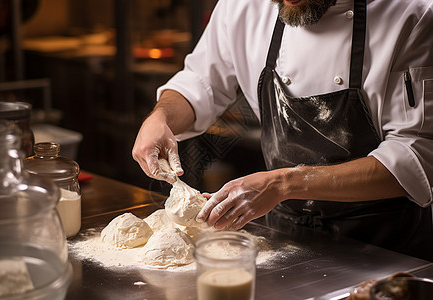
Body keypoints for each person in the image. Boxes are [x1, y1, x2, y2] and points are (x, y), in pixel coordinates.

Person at [132, 0, 433, 261]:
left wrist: (283, 184)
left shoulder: (412, 15)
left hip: (388, 247)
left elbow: (416, 154)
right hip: (283, 239)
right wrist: (161, 117)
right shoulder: (243, 6)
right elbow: (201, 81)